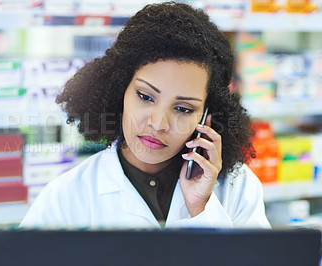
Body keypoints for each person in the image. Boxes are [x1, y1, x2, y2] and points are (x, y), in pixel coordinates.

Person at [20, 1, 271, 229]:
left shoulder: (237, 188)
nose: (158, 124)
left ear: (206, 116)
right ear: (120, 90)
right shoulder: (66, 197)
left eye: (183, 109)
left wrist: (201, 209)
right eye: (145, 96)